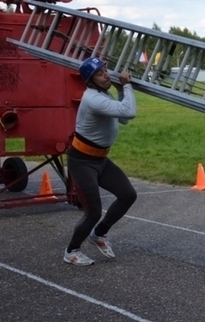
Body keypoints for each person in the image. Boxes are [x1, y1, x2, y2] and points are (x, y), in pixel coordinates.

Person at [63, 57, 137, 266]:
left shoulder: (103, 94)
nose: (106, 74)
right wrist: (127, 85)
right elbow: (129, 112)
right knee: (93, 211)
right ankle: (71, 251)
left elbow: (123, 117)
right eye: (99, 73)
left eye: (105, 70)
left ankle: (99, 233)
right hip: (82, 161)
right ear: (90, 80)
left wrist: (122, 91)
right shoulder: (93, 99)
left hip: (100, 159)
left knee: (128, 195)